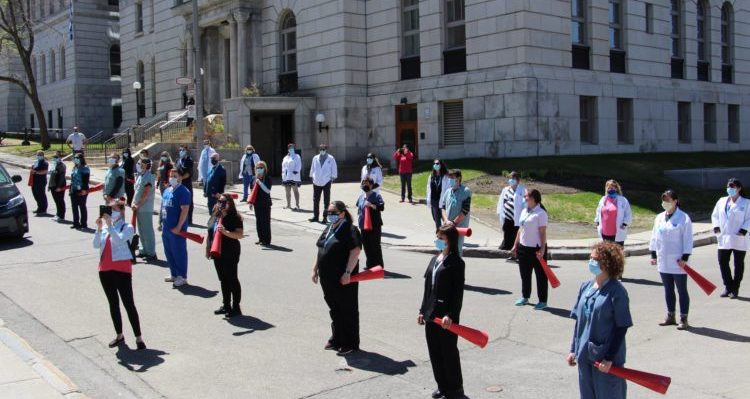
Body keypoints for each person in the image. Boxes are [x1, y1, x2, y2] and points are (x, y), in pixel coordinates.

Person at [568, 241, 632, 399]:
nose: (591, 262)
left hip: (605, 359)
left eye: (595, 259)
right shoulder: (585, 287)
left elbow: (621, 327)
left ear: (607, 263)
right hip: (584, 355)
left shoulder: (617, 291)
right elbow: (579, 321)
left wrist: (609, 358)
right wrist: (573, 349)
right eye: (590, 258)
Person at [418, 224, 466, 399]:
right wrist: (422, 310)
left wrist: (450, 315)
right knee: (435, 352)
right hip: (431, 314)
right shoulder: (435, 259)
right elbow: (427, 288)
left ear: (450, 241)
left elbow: (457, 293)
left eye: (441, 239)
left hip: (446, 317)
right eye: (437, 237)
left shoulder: (457, 263)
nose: (438, 241)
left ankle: (455, 390)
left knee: (449, 352)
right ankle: (442, 386)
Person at [93, 200, 146, 350]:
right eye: (108, 208)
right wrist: (98, 228)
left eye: (112, 208)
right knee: (113, 304)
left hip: (122, 269)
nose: (109, 211)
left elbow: (118, 239)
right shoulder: (104, 227)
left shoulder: (127, 227)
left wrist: (109, 225)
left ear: (121, 210)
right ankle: (119, 335)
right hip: (105, 269)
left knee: (129, 304)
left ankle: (139, 338)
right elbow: (96, 245)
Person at [311, 201, 362, 355]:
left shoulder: (350, 229)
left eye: (334, 212)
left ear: (342, 213)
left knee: (347, 308)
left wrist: (347, 272)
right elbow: (321, 249)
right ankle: (337, 338)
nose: (330, 215)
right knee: (334, 308)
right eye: (329, 212)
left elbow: (355, 251)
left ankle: (350, 342)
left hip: (343, 278)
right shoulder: (329, 228)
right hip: (327, 277)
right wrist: (315, 269)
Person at [649, 190, 693, 330]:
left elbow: (687, 239)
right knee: (668, 289)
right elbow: (654, 236)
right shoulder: (659, 217)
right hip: (663, 259)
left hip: (678, 260)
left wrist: (685, 257)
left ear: (675, 201)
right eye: (663, 200)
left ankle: (684, 318)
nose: (665, 203)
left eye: (668, 200)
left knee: (681, 290)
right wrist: (653, 254)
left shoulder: (684, 218)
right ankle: (670, 315)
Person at [711, 178, 750, 299]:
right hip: (724, 237)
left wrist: (744, 229)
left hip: (739, 237)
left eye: (733, 187)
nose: (730, 189)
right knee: (722, 262)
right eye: (729, 186)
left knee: (738, 264)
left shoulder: (746, 202)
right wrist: (716, 227)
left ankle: (735, 288)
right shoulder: (722, 201)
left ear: (739, 188)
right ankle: (728, 286)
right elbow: (715, 215)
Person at [207, 194, 244, 317]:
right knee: (223, 279)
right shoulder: (215, 214)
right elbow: (210, 230)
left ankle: (236, 306)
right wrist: (208, 247)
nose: (221, 204)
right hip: (217, 251)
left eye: (224, 201)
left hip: (230, 251)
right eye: (219, 201)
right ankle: (226, 304)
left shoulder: (235, 216)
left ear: (230, 203)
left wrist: (225, 232)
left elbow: (239, 234)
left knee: (232, 278)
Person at [511, 189, 549, 310]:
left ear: (533, 198)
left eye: (526, 196)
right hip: (523, 248)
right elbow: (520, 229)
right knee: (525, 274)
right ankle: (525, 296)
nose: (525, 198)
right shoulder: (524, 211)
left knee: (540, 276)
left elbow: (542, 232)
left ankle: (542, 301)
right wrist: (515, 245)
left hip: (536, 249)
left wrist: (542, 249)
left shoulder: (541, 213)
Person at [160, 169, 191, 287]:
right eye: (170, 175)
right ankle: (173, 274)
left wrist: (179, 227)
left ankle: (182, 276)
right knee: (169, 252)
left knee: (179, 252)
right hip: (166, 227)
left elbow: (185, 210)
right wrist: (160, 222)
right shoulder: (167, 190)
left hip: (177, 229)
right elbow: (163, 208)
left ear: (180, 178)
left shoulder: (183, 191)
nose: (172, 177)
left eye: (175, 176)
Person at [441, 169, 472, 255]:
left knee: (456, 250)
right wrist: (446, 221)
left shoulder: (466, 191)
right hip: (446, 226)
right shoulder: (447, 192)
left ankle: (457, 267)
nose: (450, 180)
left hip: (458, 228)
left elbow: (465, 210)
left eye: (452, 177)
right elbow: (443, 208)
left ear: (458, 179)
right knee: (443, 248)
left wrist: (453, 223)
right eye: (449, 177)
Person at [356, 177, 385, 269]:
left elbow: (381, 207)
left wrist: (372, 205)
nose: (365, 185)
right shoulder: (361, 197)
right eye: (364, 183)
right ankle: (370, 264)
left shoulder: (376, 196)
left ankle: (378, 265)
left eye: (367, 183)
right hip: (363, 225)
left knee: (375, 245)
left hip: (374, 225)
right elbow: (358, 206)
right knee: (366, 245)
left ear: (372, 185)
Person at [594, 180, 632, 247]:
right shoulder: (603, 199)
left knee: (617, 254)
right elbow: (598, 211)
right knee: (606, 253)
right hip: (605, 231)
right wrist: (597, 221)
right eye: (608, 187)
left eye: (612, 187)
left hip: (618, 231)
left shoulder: (623, 200)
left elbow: (628, 213)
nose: (610, 189)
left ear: (616, 188)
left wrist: (625, 223)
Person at [132, 158, 156, 260]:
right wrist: (133, 203)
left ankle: (151, 252)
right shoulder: (140, 176)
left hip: (145, 207)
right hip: (138, 207)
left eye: (141, 163)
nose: (139, 164)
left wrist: (138, 205)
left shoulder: (149, 177)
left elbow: (146, 193)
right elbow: (137, 191)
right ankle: (143, 250)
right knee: (141, 230)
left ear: (147, 164)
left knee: (147, 230)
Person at [497, 171, 525, 253]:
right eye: (510, 178)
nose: (511, 180)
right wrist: (500, 212)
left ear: (517, 180)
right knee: (507, 231)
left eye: (513, 179)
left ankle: (515, 249)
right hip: (507, 215)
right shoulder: (505, 190)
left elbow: (525, 203)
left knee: (515, 233)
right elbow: (501, 202)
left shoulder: (522, 190)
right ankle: (506, 247)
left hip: (517, 216)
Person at [309, 144, 338, 223]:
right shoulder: (315, 158)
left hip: (326, 181)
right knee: (316, 200)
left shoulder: (331, 158)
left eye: (323, 149)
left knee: (326, 201)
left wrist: (332, 178)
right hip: (316, 182)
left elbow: (334, 168)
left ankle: (325, 217)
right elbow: (312, 168)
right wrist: (312, 176)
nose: (322, 150)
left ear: (326, 149)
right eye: (320, 149)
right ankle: (315, 216)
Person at [251, 161, 273, 246]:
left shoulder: (267, 178)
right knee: (259, 222)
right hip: (257, 203)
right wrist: (250, 202)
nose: (259, 169)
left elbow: (267, 190)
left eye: (261, 167)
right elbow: (252, 191)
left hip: (265, 203)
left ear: (264, 169)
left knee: (265, 222)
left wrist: (259, 182)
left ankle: (266, 240)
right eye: (257, 168)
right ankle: (260, 238)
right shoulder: (253, 178)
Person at [426, 159, 450, 230]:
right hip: (434, 201)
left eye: (437, 164)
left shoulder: (446, 177)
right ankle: (441, 236)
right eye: (434, 164)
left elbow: (448, 189)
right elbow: (428, 189)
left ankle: (444, 236)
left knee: (445, 220)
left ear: (441, 165)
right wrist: (428, 199)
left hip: (442, 201)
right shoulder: (431, 176)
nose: (435, 165)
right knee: (436, 220)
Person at [70, 153, 90, 229]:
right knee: (74, 207)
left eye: (77, 158)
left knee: (82, 206)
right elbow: (72, 180)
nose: (76, 159)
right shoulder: (74, 167)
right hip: (74, 189)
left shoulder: (85, 168)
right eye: (75, 158)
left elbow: (86, 180)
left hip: (82, 190)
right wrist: (70, 190)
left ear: (81, 159)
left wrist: (84, 190)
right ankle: (76, 223)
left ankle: (84, 224)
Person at [175, 146, 195, 225]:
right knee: (178, 201)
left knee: (188, 201)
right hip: (178, 184)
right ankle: (180, 219)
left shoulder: (189, 160)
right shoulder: (177, 160)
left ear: (186, 151)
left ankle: (189, 220)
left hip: (186, 183)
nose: (181, 151)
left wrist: (181, 178)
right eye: (180, 150)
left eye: (183, 150)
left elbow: (189, 173)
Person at [281, 143, 302, 209]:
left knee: (295, 190)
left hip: (293, 176)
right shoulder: (285, 158)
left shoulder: (297, 156)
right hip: (286, 177)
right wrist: (283, 175)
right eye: (290, 148)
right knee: (287, 191)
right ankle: (288, 205)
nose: (291, 149)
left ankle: (297, 205)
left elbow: (299, 165)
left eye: (292, 148)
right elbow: (283, 167)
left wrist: (295, 171)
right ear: (288, 149)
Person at [48, 151, 66, 222]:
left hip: (59, 185)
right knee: (56, 201)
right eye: (54, 157)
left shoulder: (62, 165)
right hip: (53, 185)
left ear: (60, 157)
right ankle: (58, 214)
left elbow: (62, 177)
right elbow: (51, 176)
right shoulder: (53, 165)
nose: (54, 158)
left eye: (56, 157)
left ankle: (61, 215)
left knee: (60, 200)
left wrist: (59, 187)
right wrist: (49, 185)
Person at [29, 150, 48, 215]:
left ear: (42, 156)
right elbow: (33, 169)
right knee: (36, 195)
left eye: (40, 155)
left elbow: (45, 171)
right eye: (37, 154)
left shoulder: (44, 163)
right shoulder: (36, 162)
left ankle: (43, 209)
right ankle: (39, 207)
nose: (38, 156)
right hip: (34, 181)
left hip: (41, 182)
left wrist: (36, 172)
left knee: (41, 195)